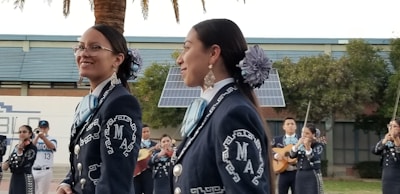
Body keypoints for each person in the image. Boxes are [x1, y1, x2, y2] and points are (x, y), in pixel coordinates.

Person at [172, 18, 275, 194]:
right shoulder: (215, 108)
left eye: (187, 48)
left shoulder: (234, 114)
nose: (179, 59)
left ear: (213, 53)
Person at [56, 24, 143, 194]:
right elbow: (84, 160)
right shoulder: (89, 103)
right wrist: (67, 183)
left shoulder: (121, 103)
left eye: (95, 47)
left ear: (117, 59)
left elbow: (115, 180)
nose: (84, 53)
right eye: (80, 47)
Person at [289, 123, 324, 194]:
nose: (304, 135)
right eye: (303, 133)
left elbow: (313, 158)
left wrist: (308, 147)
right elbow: (291, 155)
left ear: (313, 135)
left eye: (307, 133)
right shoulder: (300, 145)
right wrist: (297, 144)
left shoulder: (318, 145)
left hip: (312, 174)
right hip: (300, 174)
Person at [2, 125, 37, 194]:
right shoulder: (17, 147)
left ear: (30, 134)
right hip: (15, 177)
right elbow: (11, 158)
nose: (21, 134)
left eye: (24, 132)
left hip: (25, 177)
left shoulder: (32, 148)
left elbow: (24, 163)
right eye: (20, 132)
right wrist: (7, 163)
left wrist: (20, 153)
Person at [372, 118, 400, 194]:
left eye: (394, 126)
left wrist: (396, 139)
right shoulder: (387, 140)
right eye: (390, 125)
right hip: (387, 177)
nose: (391, 128)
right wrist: (384, 141)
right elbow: (375, 151)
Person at [271, 117, 299, 194]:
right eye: (288, 124)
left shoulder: (300, 140)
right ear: (284, 127)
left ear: (296, 126)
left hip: (297, 172)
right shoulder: (277, 140)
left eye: (292, 124)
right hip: (283, 172)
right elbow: (269, 150)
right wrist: (276, 155)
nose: (290, 126)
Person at [32, 120, 57, 194]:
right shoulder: (34, 139)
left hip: (45, 171)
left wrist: (43, 138)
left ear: (48, 129)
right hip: (33, 169)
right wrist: (37, 137)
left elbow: (52, 146)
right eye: (41, 128)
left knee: (42, 192)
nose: (43, 130)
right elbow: (31, 148)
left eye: (45, 128)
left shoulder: (52, 139)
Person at [134, 124, 158, 194]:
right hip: (136, 173)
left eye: (147, 131)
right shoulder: (135, 144)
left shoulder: (155, 145)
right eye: (144, 132)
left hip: (149, 173)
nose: (146, 133)